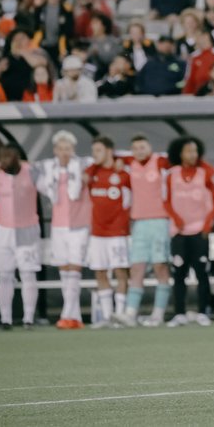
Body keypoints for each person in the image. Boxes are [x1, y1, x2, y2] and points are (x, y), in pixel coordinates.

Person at [164, 136, 214, 328]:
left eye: (195, 151)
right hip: (179, 232)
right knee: (178, 273)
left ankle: (202, 312)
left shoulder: (204, 173)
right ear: (180, 153)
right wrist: (176, 219)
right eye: (189, 151)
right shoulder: (171, 174)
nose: (192, 154)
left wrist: (208, 224)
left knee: (202, 273)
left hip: (200, 231)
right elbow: (165, 200)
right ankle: (179, 313)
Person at [34, 131, 91, 329]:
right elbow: (31, 172)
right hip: (58, 225)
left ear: (73, 150)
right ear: (55, 150)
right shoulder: (49, 170)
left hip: (79, 224)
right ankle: (74, 317)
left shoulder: (84, 166)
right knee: (64, 268)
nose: (64, 152)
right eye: (61, 148)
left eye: (68, 148)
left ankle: (67, 313)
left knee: (75, 267)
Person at [117, 135, 172, 328]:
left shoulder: (160, 162)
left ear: (150, 147)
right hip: (139, 223)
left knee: (160, 267)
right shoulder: (130, 164)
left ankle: (158, 314)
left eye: (142, 147)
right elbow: (112, 156)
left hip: (159, 221)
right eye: (135, 148)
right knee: (137, 268)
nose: (139, 151)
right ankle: (130, 313)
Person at [0, 144, 42, 330]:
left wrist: (27, 163)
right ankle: (6, 319)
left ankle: (28, 318)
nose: (4, 160)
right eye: (2, 156)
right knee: (4, 275)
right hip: (4, 230)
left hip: (27, 229)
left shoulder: (31, 172)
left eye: (9, 156)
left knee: (28, 273)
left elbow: (42, 173)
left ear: (17, 157)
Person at [84, 136, 132, 329]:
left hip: (118, 232)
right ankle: (106, 316)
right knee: (100, 272)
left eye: (98, 150)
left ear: (110, 151)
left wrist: (123, 159)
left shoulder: (123, 173)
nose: (94, 155)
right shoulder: (92, 173)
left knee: (120, 272)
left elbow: (139, 158)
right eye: (94, 150)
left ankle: (119, 315)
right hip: (97, 233)